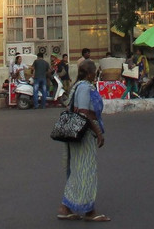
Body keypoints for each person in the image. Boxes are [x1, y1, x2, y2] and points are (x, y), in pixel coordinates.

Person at [57, 59, 109, 222]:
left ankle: (65, 207)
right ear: (89, 73)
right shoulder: (85, 88)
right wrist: (98, 133)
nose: (96, 74)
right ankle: (89, 211)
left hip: (77, 133)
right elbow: (84, 113)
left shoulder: (78, 87)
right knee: (86, 170)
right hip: (84, 135)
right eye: (94, 71)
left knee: (77, 170)